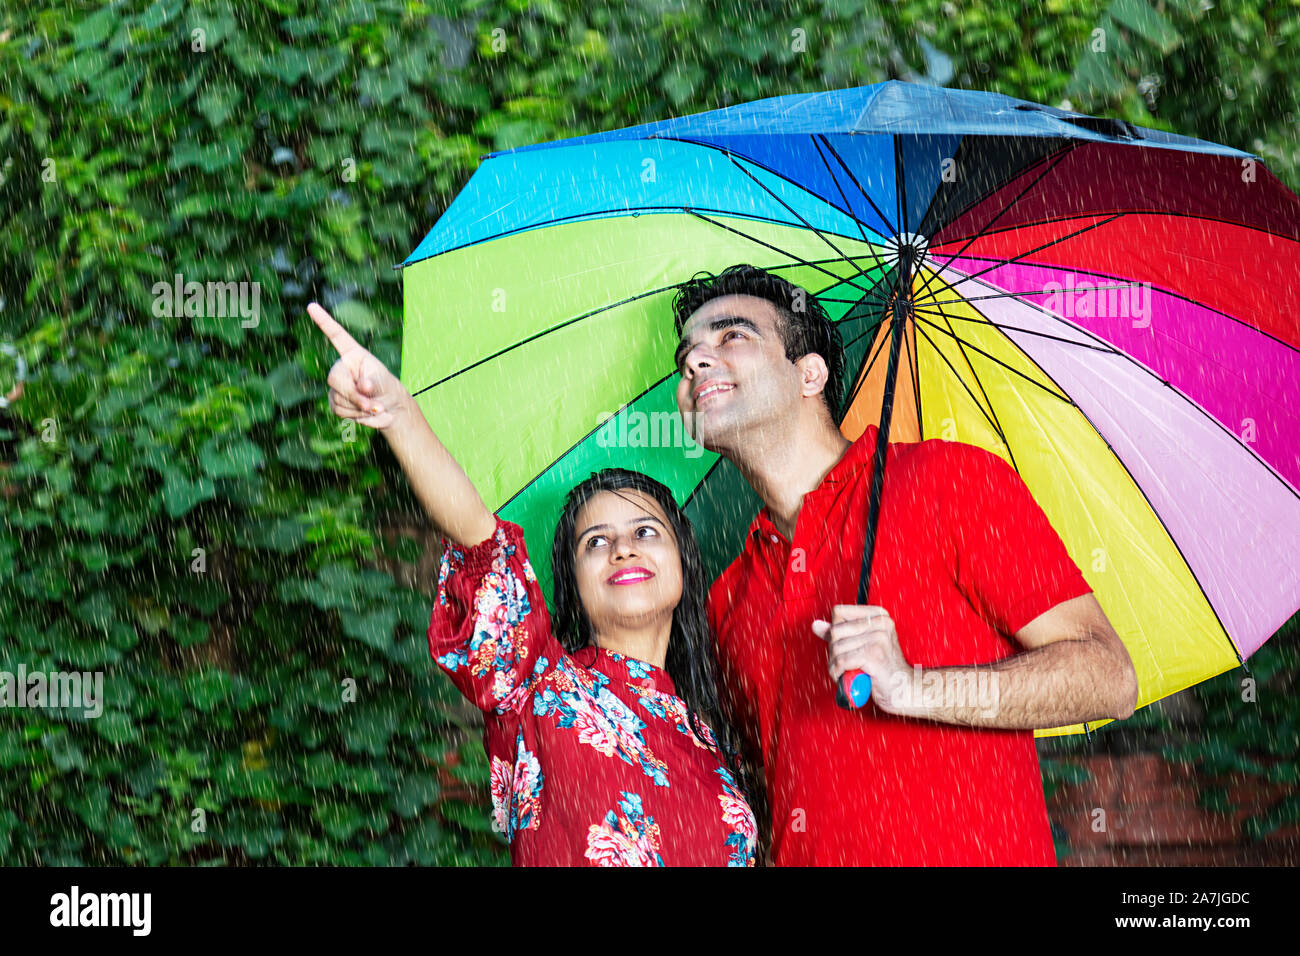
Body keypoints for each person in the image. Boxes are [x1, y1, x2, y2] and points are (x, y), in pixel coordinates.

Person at [669, 265, 1139, 866]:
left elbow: (1108, 676)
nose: (696, 363)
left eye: (731, 337)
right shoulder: (726, 596)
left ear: (809, 373)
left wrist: (913, 686)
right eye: (688, 356)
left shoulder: (949, 482)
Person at [308, 302, 757, 866]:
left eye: (646, 531)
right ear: (571, 583)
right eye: (596, 541)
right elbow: (479, 540)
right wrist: (398, 414)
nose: (623, 547)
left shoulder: (713, 735)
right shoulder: (540, 686)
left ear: (684, 562)